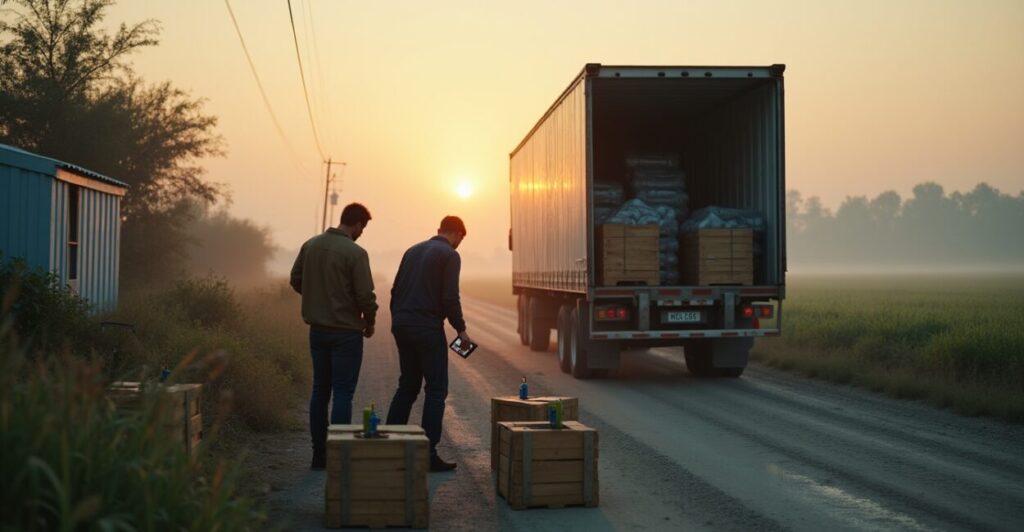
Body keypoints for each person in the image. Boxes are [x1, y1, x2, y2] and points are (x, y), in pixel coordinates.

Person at [290, 203, 378, 470]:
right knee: (342, 393)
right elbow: (366, 297)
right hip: (346, 334)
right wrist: (369, 322)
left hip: (318, 331)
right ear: (358, 224)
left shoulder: (311, 245)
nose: (362, 232)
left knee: (320, 390)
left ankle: (319, 454)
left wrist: (318, 297)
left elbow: (295, 279)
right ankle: (338, 454)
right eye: (363, 227)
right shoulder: (356, 253)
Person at [386, 215, 474, 472]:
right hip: (427, 328)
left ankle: (389, 447)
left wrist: (399, 320)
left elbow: (394, 291)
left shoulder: (412, 250)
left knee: (408, 386)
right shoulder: (449, 255)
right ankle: (428, 454)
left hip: (402, 324)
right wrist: (461, 329)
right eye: (460, 240)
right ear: (457, 233)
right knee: (436, 390)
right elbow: (450, 297)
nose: (459, 244)